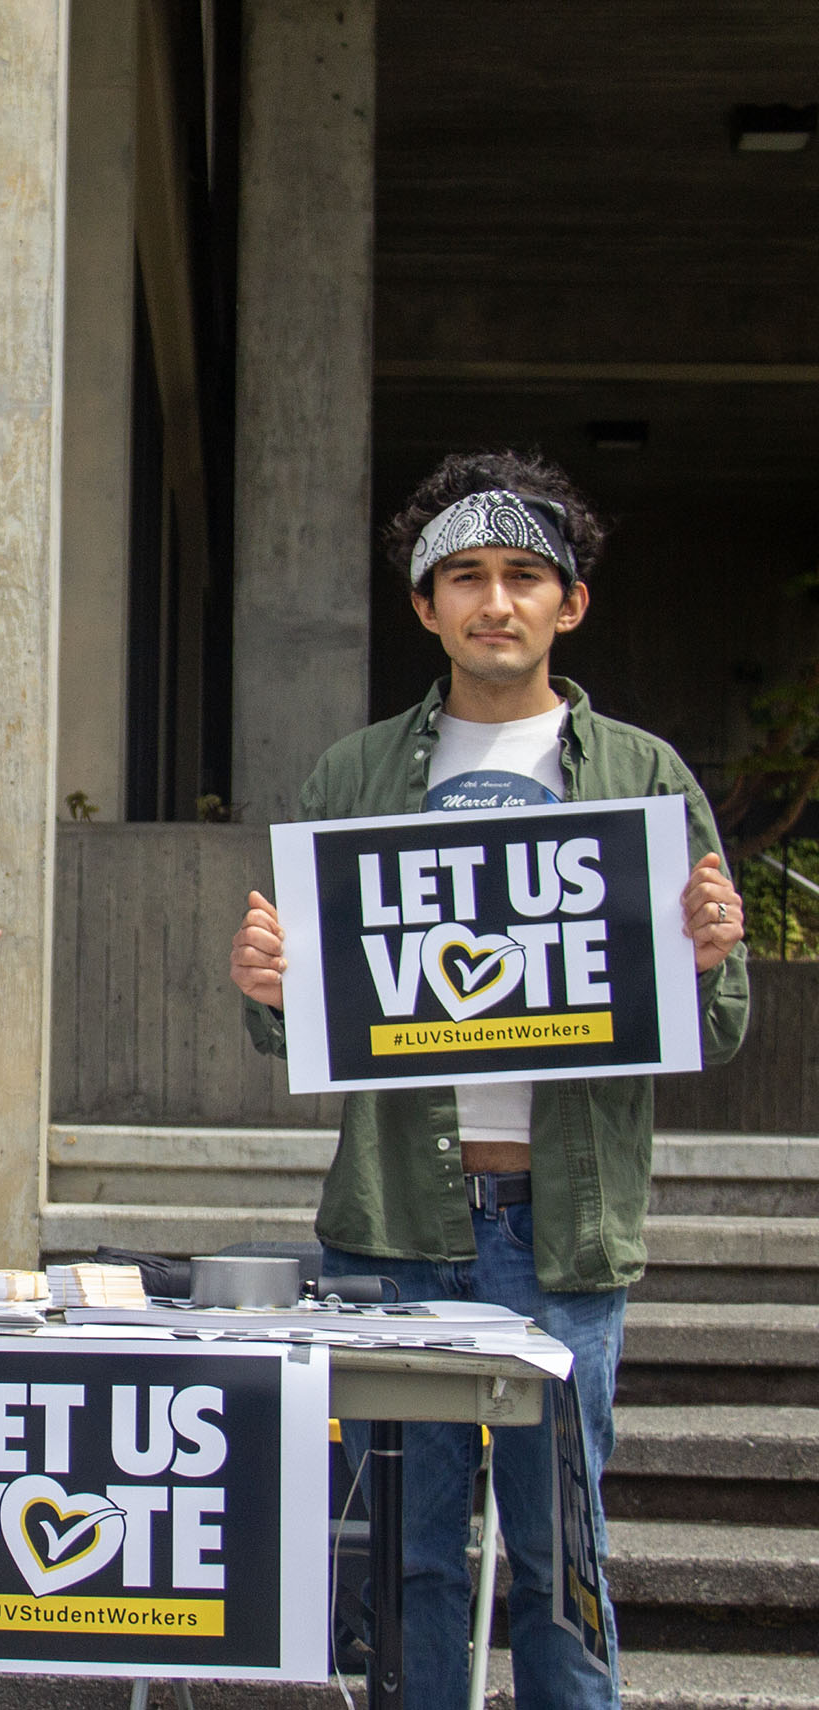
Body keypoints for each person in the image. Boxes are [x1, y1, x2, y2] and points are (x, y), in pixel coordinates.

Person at [228, 452, 748, 1710]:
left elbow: (719, 1025)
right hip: (394, 1222)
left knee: (559, 1553)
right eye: (462, 576)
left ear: (571, 603)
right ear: (423, 606)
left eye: (523, 575)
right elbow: (298, 1032)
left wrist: (707, 959)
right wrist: (271, 988)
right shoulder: (352, 776)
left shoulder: (641, 776)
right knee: (408, 1555)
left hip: (558, 1228)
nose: (494, 601)